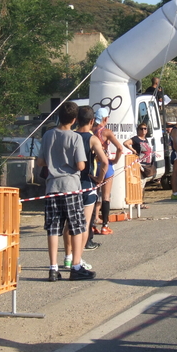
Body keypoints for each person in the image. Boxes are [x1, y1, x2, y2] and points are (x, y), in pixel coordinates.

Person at [37, 101, 93, 281]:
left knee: (53, 228)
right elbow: (80, 165)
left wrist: (54, 163)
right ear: (75, 120)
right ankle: (76, 265)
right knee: (77, 226)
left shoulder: (48, 135)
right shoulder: (75, 137)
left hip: (52, 187)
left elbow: (40, 161)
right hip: (71, 186)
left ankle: (53, 268)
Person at [66, 105, 107, 262]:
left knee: (69, 223)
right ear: (91, 121)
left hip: (70, 183)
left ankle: (68, 256)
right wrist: (99, 179)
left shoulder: (70, 136)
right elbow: (104, 161)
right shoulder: (92, 139)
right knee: (83, 224)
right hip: (86, 183)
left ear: (76, 120)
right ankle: (78, 258)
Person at [91, 107, 126, 234]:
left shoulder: (91, 131)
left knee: (93, 195)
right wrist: (115, 160)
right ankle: (105, 225)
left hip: (94, 165)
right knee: (106, 196)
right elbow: (120, 148)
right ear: (105, 118)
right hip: (106, 164)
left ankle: (92, 224)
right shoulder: (107, 132)